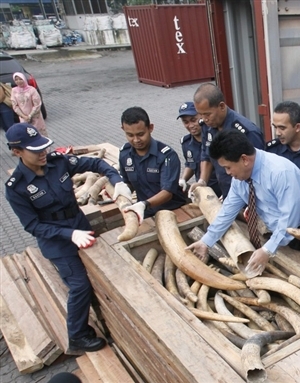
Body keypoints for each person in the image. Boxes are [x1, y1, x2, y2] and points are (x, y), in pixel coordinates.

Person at [4, 123, 132, 353]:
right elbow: (32, 225)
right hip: (58, 242)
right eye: (35, 150)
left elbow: (95, 163)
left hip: (80, 226)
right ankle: (77, 336)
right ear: (17, 152)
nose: (42, 153)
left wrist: (116, 179)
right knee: (79, 285)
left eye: (43, 147)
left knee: (101, 272)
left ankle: (108, 319)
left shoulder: (58, 161)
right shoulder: (17, 188)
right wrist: (68, 234)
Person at [186, 129, 300, 277]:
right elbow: (227, 211)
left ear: (244, 159)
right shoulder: (240, 179)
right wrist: (206, 241)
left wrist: (267, 250)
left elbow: (290, 218)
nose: (227, 173)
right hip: (281, 232)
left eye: (228, 167)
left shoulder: (279, 172)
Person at [192, 83, 264, 198]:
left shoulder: (247, 131)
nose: (204, 119)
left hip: (247, 195)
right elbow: (206, 155)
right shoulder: (207, 125)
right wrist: (202, 182)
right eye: (200, 114)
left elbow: (259, 170)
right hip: (225, 191)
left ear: (221, 106)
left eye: (207, 114)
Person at [118, 106, 187, 224]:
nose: (136, 140)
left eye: (140, 134)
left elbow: (167, 193)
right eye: (130, 135)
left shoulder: (167, 156)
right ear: (123, 129)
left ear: (150, 128)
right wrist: (122, 189)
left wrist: (144, 204)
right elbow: (128, 183)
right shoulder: (125, 154)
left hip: (174, 211)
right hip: (146, 212)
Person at [176, 102, 221, 197]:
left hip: (221, 190)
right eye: (186, 122)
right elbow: (190, 164)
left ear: (201, 116)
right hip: (203, 192)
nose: (191, 125)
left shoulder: (215, 137)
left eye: (193, 120)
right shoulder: (186, 143)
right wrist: (183, 179)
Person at [10, 72, 47, 137]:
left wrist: (30, 116)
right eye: (16, 80)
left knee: (39, 134)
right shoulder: (14, 90)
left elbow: (37, 104)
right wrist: (24, 116)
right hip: (23, 118)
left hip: (35, 117)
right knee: (27, 135)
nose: (19, 81)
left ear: (24, 79)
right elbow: (15, 105)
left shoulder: (32, 90)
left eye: (20, 79)